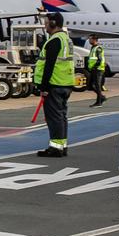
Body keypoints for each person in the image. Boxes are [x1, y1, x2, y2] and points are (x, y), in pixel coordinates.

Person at [34, 13, 75, 157]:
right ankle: (62, 145)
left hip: (54, 84)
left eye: (46, 23)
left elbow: (49, 66)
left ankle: (55, 147)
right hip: (66, 83)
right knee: (61, 116)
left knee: (54, 117)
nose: (45, 26)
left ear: (53, 23)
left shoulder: (54, 41)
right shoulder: (66, 40)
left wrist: (44, 87)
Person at [86, 35, 107, 107]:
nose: (89, 40)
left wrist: (94, 67)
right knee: (91, 85)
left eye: (90, 39)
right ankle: (101, 98)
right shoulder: (93, 48)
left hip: (98, 69)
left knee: (96, 85)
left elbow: (99, 59)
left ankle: (99, 102)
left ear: (94, 40)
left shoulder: (98, 48)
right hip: (94, 69)